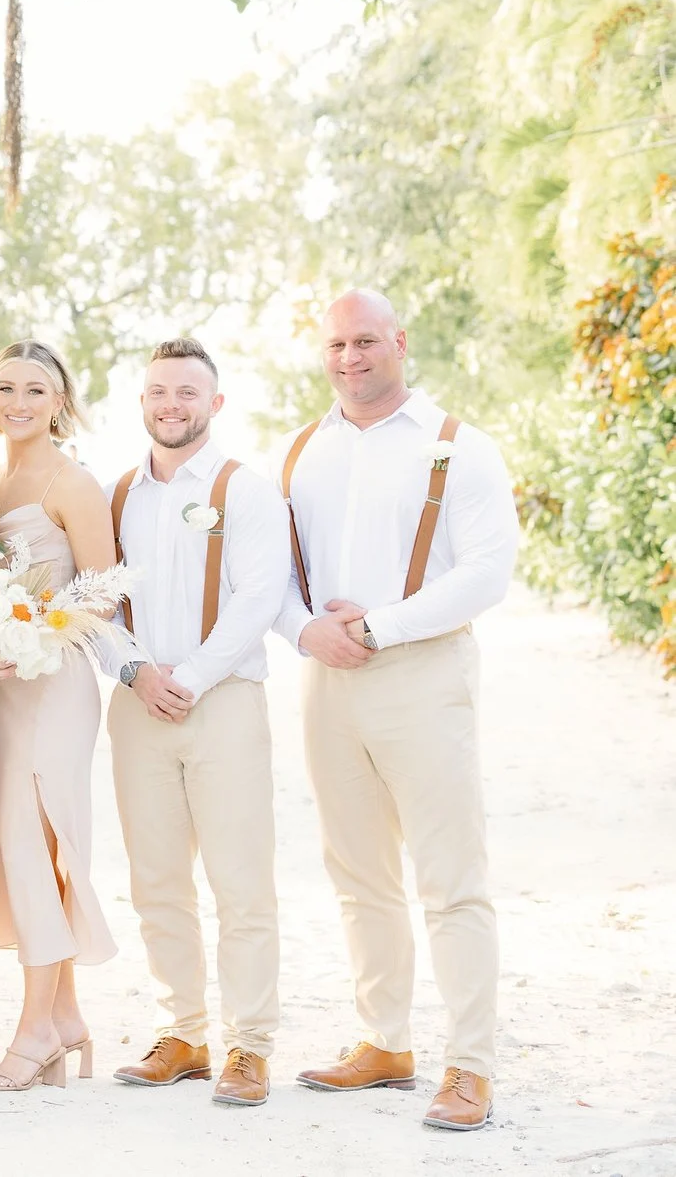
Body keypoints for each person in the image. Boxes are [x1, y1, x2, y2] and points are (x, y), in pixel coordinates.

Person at [280, 290, 517, 1132]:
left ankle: (471, 1066)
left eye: (367, 340)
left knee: (451, 876)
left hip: (422, 671)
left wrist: (378, 624)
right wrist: (307, 630)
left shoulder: (461, 447)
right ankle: (385, 1040)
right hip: (327, 681)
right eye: (337, 343)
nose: (351, 357)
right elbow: (274, 568)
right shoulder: (301, 450)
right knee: (357, 871)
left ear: (400, 341)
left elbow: (488, 571)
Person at [102, 337, 291, 1107]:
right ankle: (181, 1031)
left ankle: (249, 1044)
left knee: (241, 879)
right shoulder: (117, 495)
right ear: (141, 401)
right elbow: (98, 600)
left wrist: (191, 676)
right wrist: (136, 671)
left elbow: (259, 595)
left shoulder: (246, 488)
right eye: (158, 392)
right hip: (138, 703)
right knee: (156, 879)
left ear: (214, 403)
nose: (170, 405)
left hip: (224, 701)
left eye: (186, 392)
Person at [0, 340, 118, 1091]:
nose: (19, 401)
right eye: (6, 387)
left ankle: (36, 1028)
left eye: (36, 388)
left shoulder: (73, 481)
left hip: (54, 682)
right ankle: (62, 1016)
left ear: (60, 399)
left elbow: (103, 593)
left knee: (41, 843)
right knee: (16, 845)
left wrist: (35, 633)